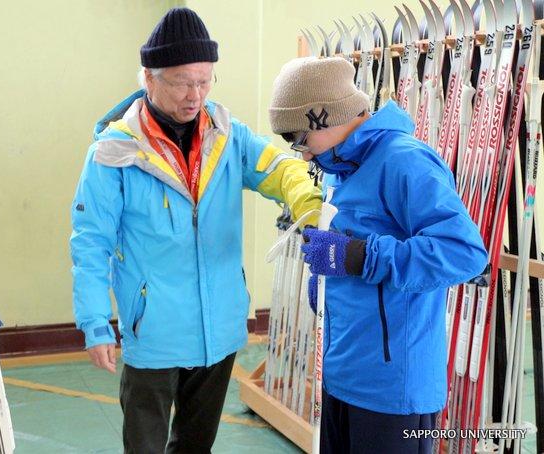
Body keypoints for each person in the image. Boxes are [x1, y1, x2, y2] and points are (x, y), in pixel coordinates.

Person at [70, 8, 320, 453]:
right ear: (149, 78)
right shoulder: (113, 154)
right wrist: (94, 323)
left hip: (219, 328)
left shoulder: (227, 136)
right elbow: (91, 243)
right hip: (154, 332)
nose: (196, 95)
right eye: (184, 82)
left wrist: (304, 196)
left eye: (205, 81)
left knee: (195, 446)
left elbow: (278, 168)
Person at [268, 56, 488, 454]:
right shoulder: (341, 167)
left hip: (391, 392)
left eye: (298, 138)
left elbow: (465, 252)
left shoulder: (403, 161)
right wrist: (331, 275)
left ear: (323, 118)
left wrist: (360, 257)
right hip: (343, 375)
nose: (300, 154)